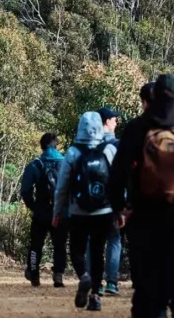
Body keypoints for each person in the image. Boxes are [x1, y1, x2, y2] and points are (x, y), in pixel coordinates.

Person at [109, 73, 174, 318]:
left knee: (147, 285)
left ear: (153, 96)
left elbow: (118, 172)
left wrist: (119, 206)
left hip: (144, 216)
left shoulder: (139, 127)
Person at [54, 112, 117, 312]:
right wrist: (120, 209)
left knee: (77, 249)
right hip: (104, 210)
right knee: (98, 251)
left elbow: (62, 186)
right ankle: (95, 296)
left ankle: (85, 276)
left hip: (78, 210)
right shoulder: (109, 150)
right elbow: (117, 182)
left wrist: (57, 212)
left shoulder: (73, 152)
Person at [21, 132, 70, 288]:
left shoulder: (35, 165)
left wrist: (33, 206)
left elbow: (25, 190)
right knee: (60, 245)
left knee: (36, 244)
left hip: (41, 211)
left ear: (41, 146)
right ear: (56, 145)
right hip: (61, 212)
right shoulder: (65, 163)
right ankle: (58, 275)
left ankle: (34, 273)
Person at [96, 107, 124, 297]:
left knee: (94, 240)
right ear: (107, 121)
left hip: (92, 200)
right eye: (115, 119)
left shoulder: (89, 143)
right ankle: (112, 283)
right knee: (114, 239)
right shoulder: (118, 145)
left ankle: (96, 283)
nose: (116, 122)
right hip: (113, 199)